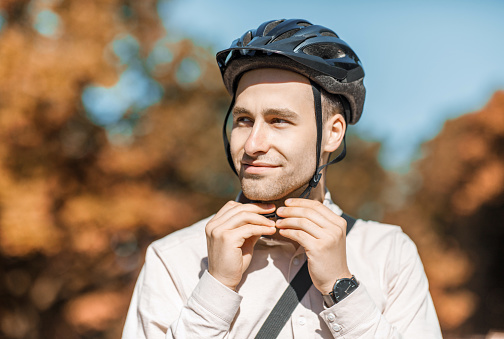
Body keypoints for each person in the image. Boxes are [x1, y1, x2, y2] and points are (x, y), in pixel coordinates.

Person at [122, 19, 442, 338]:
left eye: (279, 121)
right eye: (244, 120)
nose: (252, 144)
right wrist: (215, 287)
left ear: (333, 133)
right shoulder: (174, 259)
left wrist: (341, 288)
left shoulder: (388, 254)